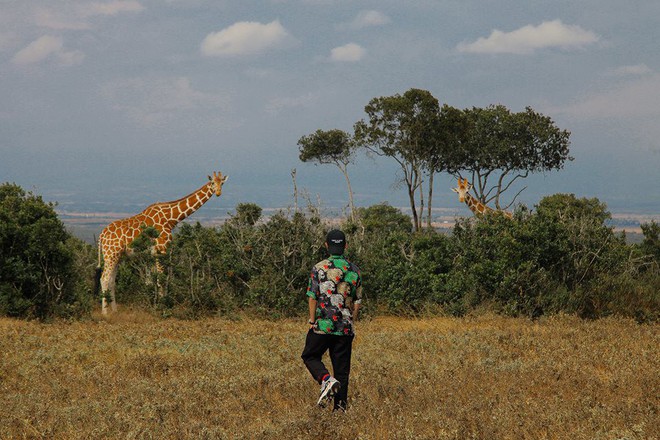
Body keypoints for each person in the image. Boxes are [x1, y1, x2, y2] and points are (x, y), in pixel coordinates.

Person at [301, 229, 362, 411]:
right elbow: (357, 301)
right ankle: (340, 411)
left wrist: (312, 320)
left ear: (326, 246)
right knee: (342, 371)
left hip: (322, 325)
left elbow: (312, 296)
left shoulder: (319, 268)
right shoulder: (355, 270)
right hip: (345, 327)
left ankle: (326, 379)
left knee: (310, 356)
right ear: (345, 246)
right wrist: (352, 322)